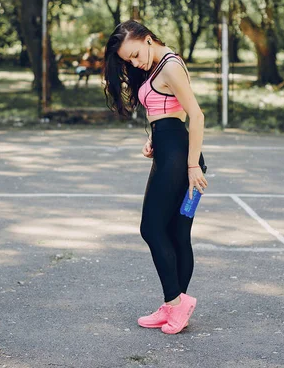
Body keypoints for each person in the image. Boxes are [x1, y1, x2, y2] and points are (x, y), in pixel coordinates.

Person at [102, 20, 208, 335]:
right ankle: (174, 305)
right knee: (175, 233)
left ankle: (176, 304)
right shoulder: (158, 65)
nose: (135, 63)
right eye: (128, 61)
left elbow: (197, 115)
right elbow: (168, 111)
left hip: (180, 159)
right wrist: (155, 137)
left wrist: (192, 167)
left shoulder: (171, 65)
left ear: (148, 40)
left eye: (135, 54)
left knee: (151, 228)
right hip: (169, 150)